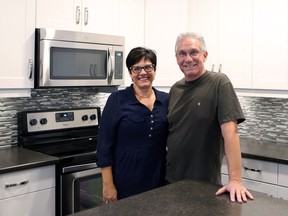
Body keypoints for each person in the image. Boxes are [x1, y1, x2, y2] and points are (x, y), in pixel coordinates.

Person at [165, 32, 254, 203]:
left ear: (205, 55)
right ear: (176, 58)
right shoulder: (175, 89)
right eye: (182, 54)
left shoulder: (219, 83)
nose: (188, 59)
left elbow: (231, 134)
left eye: (193, 52)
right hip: (171, 180)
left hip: (204, 183)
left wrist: (235, 180)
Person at [96, 47, 169, 203]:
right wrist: (108, 185)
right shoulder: (117, 100)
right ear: (130, 73)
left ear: (154, 70)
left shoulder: (167, 100)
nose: (143, 72)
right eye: (136, 68)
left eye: (148, 67)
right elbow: (104, 146)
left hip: (159, 181)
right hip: (125, 183)